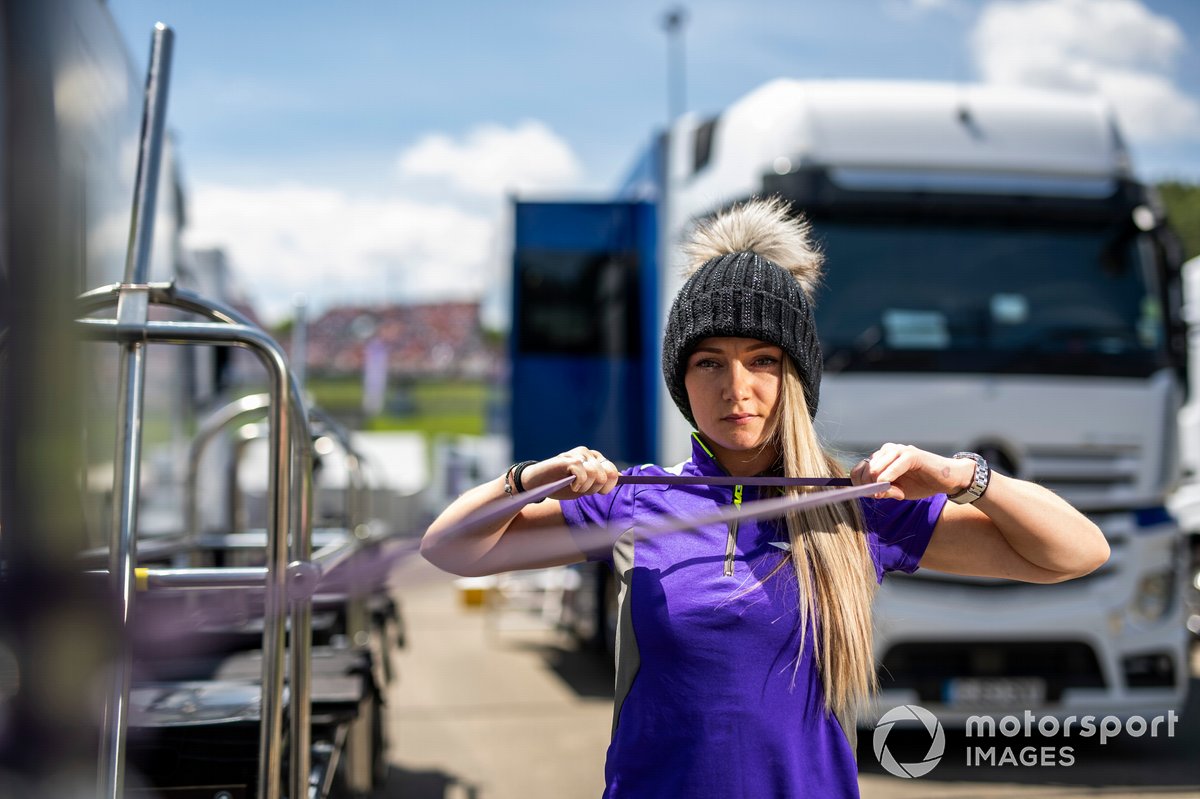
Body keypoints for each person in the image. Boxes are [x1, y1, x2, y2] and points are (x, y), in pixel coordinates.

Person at [422, 197, 1109, 798]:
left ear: (795, 378)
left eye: (763, 360)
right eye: (709, 361)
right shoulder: (634, 500)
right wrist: (526, 480)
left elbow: (1077, 553)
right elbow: (449, 547)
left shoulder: (857, 505)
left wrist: (964, 477)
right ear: (682, 380)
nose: (736, 387)